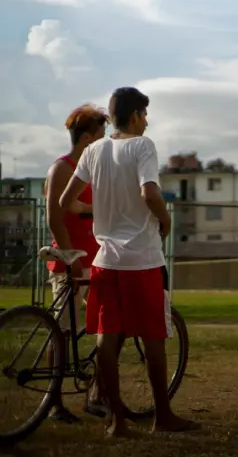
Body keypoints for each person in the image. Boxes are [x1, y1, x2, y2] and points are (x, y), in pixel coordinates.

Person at [59, 87, 195, 437]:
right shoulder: (142, 146)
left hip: (106, 261)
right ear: (135, 115)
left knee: (107, 338)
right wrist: (165, 220)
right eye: (145, 115)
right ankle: (162, 416)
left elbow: (65, 202)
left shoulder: (93, 150)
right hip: (143, 260)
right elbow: (149, 193)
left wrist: (99, 211)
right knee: (153, 338)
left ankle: (116, 420)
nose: (147, 122)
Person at [44, 104, 107, 422]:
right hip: (72, 263)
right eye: (100, 136)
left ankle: (96, 395)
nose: (104, 141)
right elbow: (55, 219)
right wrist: (70, 259)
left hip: (96, 261)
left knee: (104, 327)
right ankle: (52, 403)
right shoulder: (63, 168)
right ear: (86, 138)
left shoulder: (91, 170)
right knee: (63, 331)